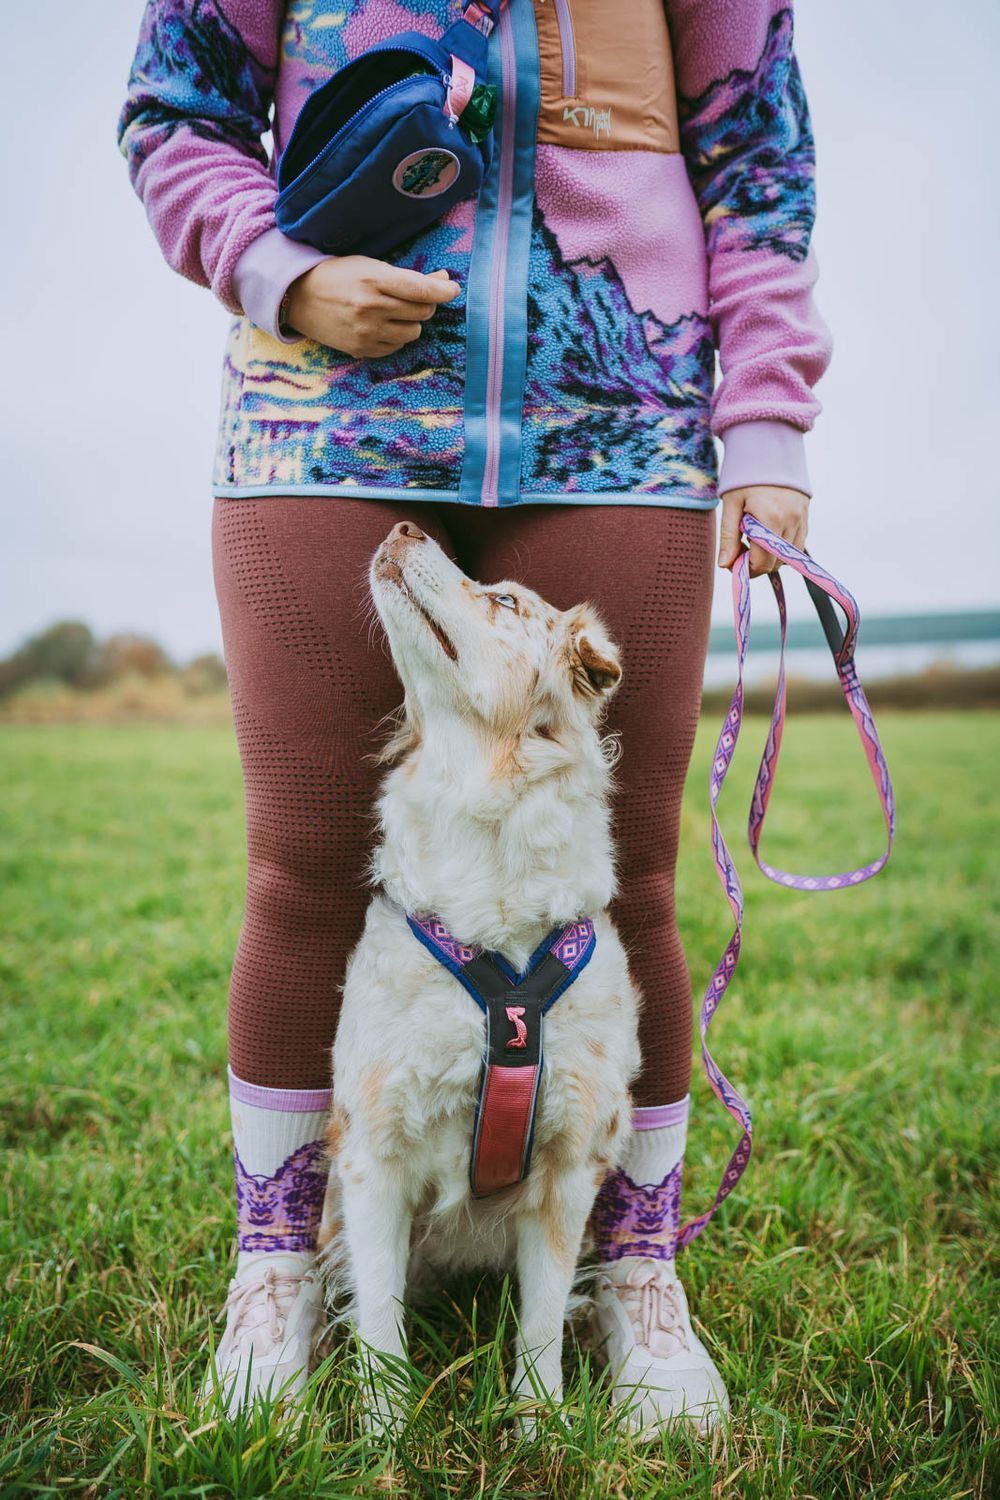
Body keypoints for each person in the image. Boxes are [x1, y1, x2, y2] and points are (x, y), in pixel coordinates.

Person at [117, 0, 830, 1435]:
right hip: (324, 422)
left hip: (620, 428)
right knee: (304, 868)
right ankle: (278, 1266)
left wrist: (765, 426)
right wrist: (281, 273)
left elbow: (758, 156)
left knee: (627, 885)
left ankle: (633, 1271)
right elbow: (175, 107)